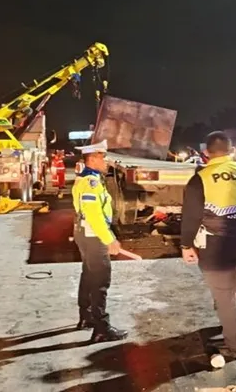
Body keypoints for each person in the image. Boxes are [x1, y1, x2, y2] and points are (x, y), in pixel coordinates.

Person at [180, 131, 236, 362]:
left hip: (216, 244)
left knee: (223, 295)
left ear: (206, 153)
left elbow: (191, 216)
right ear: (231, 151)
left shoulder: (201, 178)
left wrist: (186, 244)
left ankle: (235, 346)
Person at [71, 140, 128, 343]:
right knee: (100, 281)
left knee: (88, 275)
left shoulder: (90, 178)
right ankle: (101, 328)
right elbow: (94, 215)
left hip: (85, 234)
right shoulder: (90, 182)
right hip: (93, 236)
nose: (106, 161)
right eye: (103, 157)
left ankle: (85, 317)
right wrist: (109, 240)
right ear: (93, 158)